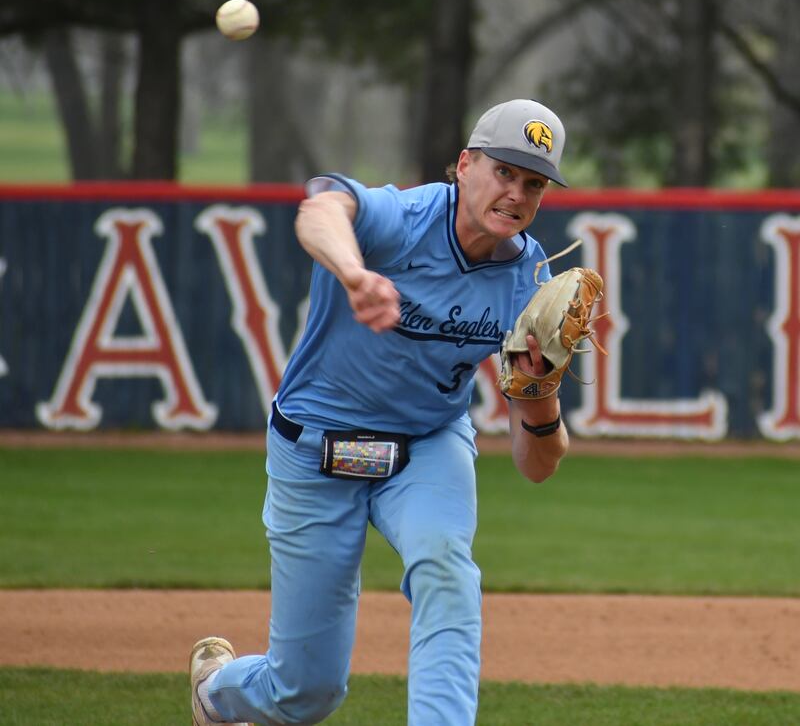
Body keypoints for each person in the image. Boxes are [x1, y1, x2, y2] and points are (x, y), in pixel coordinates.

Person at [190, 98, 572, 726]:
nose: (516, 194)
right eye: (504, 171)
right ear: (465, 164)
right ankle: (216, 694)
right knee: (305, 693)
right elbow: (320, 211)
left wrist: (538, 394)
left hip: (427, 444)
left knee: (448, 571)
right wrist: (353, 272)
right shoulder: (407, 219)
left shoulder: (526, 276)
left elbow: (537, 466)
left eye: (533, 183)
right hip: (316, 446)